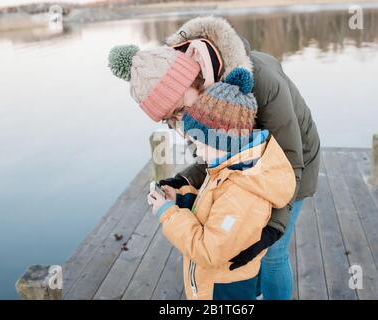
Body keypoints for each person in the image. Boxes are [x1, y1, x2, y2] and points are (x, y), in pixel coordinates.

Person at [108, 17, 320, 300]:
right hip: (246, 164)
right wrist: (184, 180)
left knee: (272, 253)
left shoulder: (262, 82)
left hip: (294, 161)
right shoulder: (189, 107)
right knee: (241, 248)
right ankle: (253, 291)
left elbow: (290, 165)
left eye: (179, 110)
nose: (179, 121)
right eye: (170, 118)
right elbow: (214, 160)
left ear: (192, 78)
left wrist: (272, 230)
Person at [147, 71, 296, 300]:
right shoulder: (229, 167)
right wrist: (179, 200)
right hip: (217, 283)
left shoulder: (241, 192)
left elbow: (209, 251)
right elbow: (213, 208)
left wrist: (168, 214)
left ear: (223, 140)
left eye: (200, 143)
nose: (198, 150)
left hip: (224, 289)